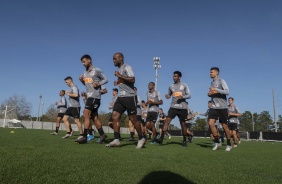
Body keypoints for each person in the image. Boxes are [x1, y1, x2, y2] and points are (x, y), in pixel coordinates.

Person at [106, 52, 145, 148]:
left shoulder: (127, 67)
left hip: (129, 97)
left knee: (133, 119)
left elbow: (132, 79)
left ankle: (141, 138)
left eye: (115, 58)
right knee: (115, 116)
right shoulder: (119, 69)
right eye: (113, 59)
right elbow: (125, 81)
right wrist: (118, 81)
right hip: (121, 97)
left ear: (121, 58)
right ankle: (116, 140)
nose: (113, 60)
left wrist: (120, 76)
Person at [76, 54, 108, 144]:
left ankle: (85, 136)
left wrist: (98, 84)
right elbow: (87, 85)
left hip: (95, 96)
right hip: (90, 96)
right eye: (82, 62)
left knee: (86, 113)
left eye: (84, 61)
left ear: (89, 60)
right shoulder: (85, 73)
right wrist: (82, 80)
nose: (83, 63)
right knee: (94, 117)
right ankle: (102, 135)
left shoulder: (96, 70)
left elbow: (106, 79)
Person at [156, 71, 191, 147]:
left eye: (175, 76)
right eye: (173, 76)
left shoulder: (184, 85)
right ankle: (161, 139)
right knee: (167, 121)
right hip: (173, 107)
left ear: (179, 77)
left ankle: (184, 140)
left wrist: (183, 97)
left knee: (183, 124)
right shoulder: (171, 86)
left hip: (182, 107)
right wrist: (167, 96)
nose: (174, 77)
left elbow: (189, 95)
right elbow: (169, 95)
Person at [207, 67, 232, 151]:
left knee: (225, 126)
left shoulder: (221, 81)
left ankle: (229, 144)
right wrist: (209, 94)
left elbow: (227, 92)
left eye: (211, 72)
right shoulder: (211, 83)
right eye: (210, 72)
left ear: (216, 73)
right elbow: (213, 93)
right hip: (214, 106)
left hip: (222, 107)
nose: (210, 73)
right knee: (210, 124)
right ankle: (217, 142)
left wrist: (216, 90)